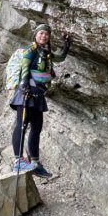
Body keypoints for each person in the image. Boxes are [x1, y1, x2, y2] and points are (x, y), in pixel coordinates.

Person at [10, 23, 70, 178]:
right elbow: (25, 64)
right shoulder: (31, 50)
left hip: (38, 94)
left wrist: (67, 43)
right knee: (21, 126)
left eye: (47, 34)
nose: (44, 36)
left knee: (37, 128)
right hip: (27, 92)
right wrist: (23, 84)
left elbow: (61, 57)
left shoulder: (46, 51)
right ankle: (18, 161)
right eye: (41, 33)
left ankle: (35, 163)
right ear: (35, 35)